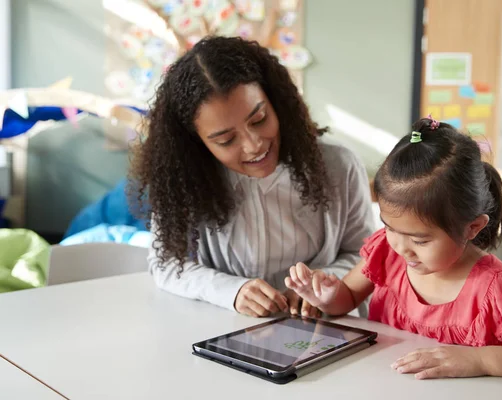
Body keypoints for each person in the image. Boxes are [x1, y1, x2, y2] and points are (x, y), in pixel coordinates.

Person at [285, 116, 502, 380]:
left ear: (472, 227)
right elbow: (348, 298)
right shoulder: (388, 253)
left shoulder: (495, 289)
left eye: (420, 240)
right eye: (390, 227)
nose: (402, 248)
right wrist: (328, 297)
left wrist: (482, 361)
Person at [129, 36, 374, 318]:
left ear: (276, 103)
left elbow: (364, 256)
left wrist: (320, 283)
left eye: (259, 120)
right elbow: (167, 263)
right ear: (198, 144)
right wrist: (232, 291)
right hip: (227, 327)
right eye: (225, 140)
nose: (253, 145)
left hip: (324, 326)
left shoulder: (339, 166)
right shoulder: (185, 180)